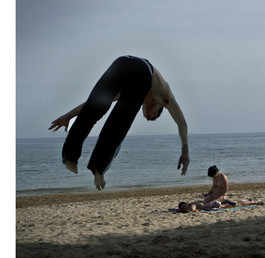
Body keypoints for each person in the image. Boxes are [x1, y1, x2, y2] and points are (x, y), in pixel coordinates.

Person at [49, 55, 189, 190]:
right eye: (150, 116)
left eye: (147, 117)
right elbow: (182, 122)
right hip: (139, 69)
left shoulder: (140, 93)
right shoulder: (165, 97)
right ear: (159, 109)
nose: (146, 114)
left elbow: (94, 103)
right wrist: (67, 116)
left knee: (98, 109)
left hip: (122, 64)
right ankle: (75, 159)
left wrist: (68, 116)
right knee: (118, 124)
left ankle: (80, 162)